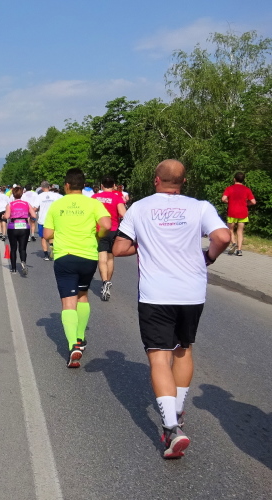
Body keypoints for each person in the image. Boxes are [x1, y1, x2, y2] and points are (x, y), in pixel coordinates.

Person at [113, 159, 230, 459]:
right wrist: (209, 257)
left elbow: (119, 248)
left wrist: (146, 245)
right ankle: (177, 410)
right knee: (183, 350)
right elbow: (223, 236)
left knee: (159, 357)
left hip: (156, 294)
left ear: (156, 180)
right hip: (192, 292)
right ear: (183, 181)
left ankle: (171, 429)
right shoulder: (200, 207)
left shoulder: (139, 208)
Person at [44, 168, 111, 368]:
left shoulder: (57, 205)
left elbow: (47, 234)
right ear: (83, 185)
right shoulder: (94, 203)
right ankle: (81, 337)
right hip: (88, 256)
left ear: (66, 185)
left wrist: (59, 232)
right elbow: (107, 224)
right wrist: (98, 235)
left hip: (65, 257)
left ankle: (73, 344)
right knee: (82, 295)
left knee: (68, 302)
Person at [93, 176, 127, 301]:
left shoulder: (95, 197)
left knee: (101, 257)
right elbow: (123, 214)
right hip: (113, 230)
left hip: (100, 230)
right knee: (110, 258)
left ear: (101, 185)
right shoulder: (117, 197)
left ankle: (105, 282)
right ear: (113, 186)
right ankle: (108, 281)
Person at [3, 186, 37, 276]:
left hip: (13, 227)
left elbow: (7, 216)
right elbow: (34, 215)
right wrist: (27, 214)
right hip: (24, 227)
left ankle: (13, 269)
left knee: (13, 248)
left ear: (13, 194)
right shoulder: (27, 204)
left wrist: (3, 216)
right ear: (22, 194)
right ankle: (23, 262)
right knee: (22, 248)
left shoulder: (10, 204)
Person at [222, 171, 256, 256]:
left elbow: (223, 199)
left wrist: (229, 202)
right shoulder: (247, 189)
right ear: (243, 180)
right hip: (243, 212)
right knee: (240, 231)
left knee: (230, 230)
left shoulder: (229, 188)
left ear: (234, 179)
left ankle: (233, 243)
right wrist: (246, 203)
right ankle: (239, 250)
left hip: (232, 212)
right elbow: (253, 202)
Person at [36, 181, 63, 261]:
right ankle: (52, 247)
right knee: (52, 235)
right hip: (53, 219)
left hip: (42, 219)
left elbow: (36, 207)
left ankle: (46, 255)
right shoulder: (56, 195)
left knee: (43, 237)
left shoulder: (39, 196)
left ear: (41, 188)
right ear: (49, 187)